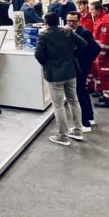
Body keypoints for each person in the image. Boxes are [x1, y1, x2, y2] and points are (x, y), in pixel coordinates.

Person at [34, 12, 85, 147]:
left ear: (46, 22)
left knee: (59, 106)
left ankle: (63, 135)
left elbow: (38, 54)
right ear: (58, 21)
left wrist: (47, 64)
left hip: (54, 75)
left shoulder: (44, 35)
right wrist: (71, 54)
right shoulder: (68, 32)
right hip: (70, 72)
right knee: (74, 101)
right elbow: (83, 44)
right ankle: (78, 130)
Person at [65, 11, 100, 131]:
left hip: (80, 69)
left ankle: (85, 123)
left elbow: (96, 48)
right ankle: (89, 118)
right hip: (76, 68)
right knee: (82, 93)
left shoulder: (84, 33)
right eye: (69, 21)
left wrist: (85, 63)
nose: (71, 23)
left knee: (80, 94)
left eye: (74, 21)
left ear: (79, 21)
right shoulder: (70, 31)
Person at [89, 0, 109, 107]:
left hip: (105, 53)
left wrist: (99, 57)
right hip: (101, 52)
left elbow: (105, 42)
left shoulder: (105, 22)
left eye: (92, 9)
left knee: (106, 76)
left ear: (98, 10)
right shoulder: (100, 18)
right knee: (102, 75)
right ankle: (105, 94)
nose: (90, 11)